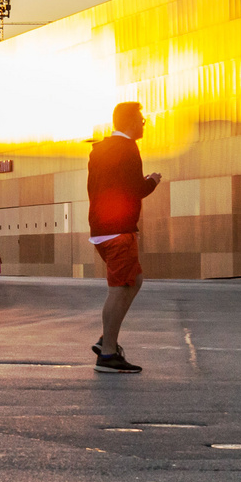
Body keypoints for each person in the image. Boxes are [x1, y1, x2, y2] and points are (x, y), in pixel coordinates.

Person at [87, 101, 159, 374]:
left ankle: (107, 339)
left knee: (134, 280)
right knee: (119, 290)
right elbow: (135, 189)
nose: (144, 123)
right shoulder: (128, 148)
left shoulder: (100, 149)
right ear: (129, 121)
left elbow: (96, 188)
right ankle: (107, 355)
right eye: (141, 119)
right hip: (119, 229)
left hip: (102, 229)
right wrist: (152, 180)